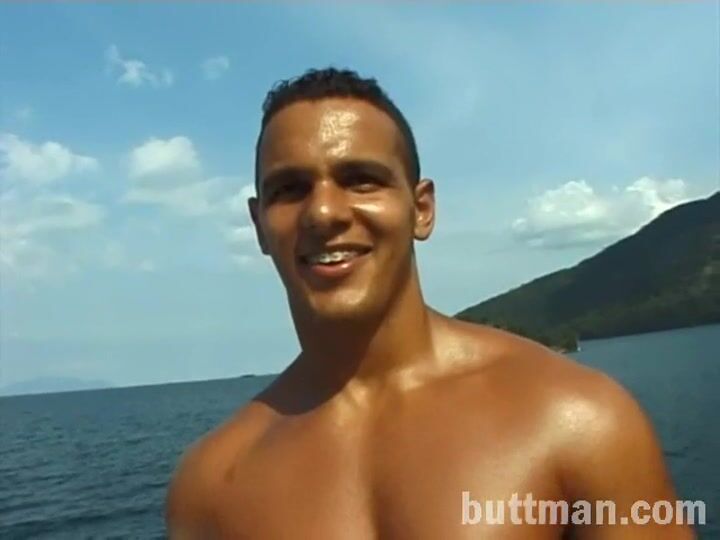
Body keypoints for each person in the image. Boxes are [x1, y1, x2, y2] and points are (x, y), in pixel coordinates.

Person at [166, 68, 693, 539]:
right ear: (260, 226)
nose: (323, 212)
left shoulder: (577, 418)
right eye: (290, 189)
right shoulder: (209, 486)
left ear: (421, 209)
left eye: (361, 180)